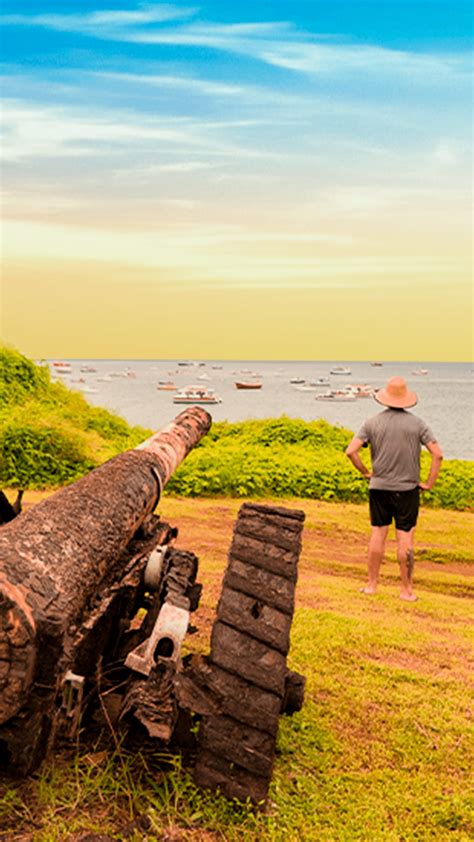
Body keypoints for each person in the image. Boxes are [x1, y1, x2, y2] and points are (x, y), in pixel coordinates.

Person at [345, 376, 443, 601]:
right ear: (406, 399)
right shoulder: (418, 424)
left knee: (378, 534)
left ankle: (371, 585)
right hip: (407, 490)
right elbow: (438, 454)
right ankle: (406, 591)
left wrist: (366, 472)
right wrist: (429, 483)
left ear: (385, 398)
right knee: (405, 538)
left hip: (378, 488)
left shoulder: (371, 422)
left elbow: (351, 451)